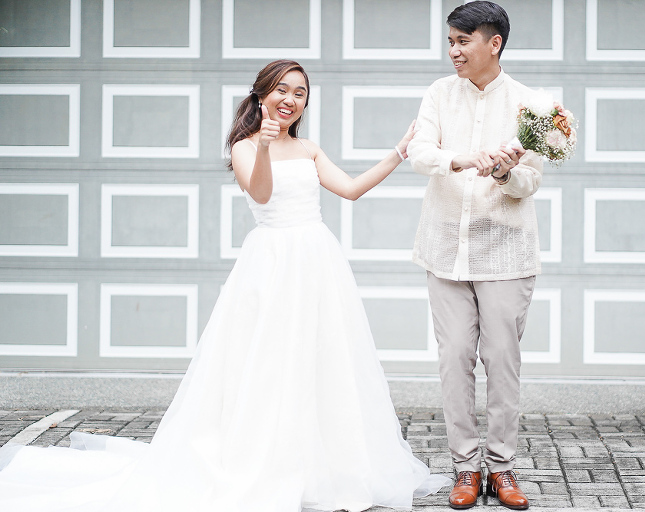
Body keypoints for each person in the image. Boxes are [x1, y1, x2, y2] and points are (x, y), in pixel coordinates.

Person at [0, 59, 450, 512]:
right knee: (268, 362)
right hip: (272, 263)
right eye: (281, 90)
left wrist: (398, 152)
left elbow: (351, 189)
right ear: (261, 95)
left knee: (321, 357)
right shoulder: (244, 146)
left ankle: (320, 463)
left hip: (317, 259)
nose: (290, 99)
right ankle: (263, 460)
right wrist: (265, 147)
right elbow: (261, 193)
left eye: (299, 93)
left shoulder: (309, 149)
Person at [407, 2, 544, 510]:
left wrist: (506, 173)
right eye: (451, 41)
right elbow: (419, 152)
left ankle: (502, 468)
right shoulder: (439, 94)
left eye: (463, 41)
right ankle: (465, 467)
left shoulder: (531, 105)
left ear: (494, 43)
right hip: (445, 249)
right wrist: (460, 158)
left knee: (502, 361)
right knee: (454, 360)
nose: (454, 51)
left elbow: (531, 181)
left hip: (505, 252)